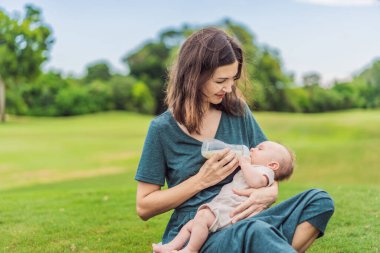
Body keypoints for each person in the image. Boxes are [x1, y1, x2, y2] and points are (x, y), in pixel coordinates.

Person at [135, 27, 334, 253]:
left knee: (319, 200)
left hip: (246, 215)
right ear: (194, 77)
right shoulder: (162, 129)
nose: (229, 88)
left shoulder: (238, 112)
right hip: (201, 229)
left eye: (233, 79)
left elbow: (269, 166)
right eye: (221, 80)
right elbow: (144, 206)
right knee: (254, 232)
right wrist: (201, 180)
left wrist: (269, 192)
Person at [152, 140, 295, 253]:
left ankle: (191, 250)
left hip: (231, 210)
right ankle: (169, 246)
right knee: (191, 224)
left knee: (202, 217)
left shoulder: (265, 172)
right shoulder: (255, 167)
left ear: (273, 165)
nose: (252, 149)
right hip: (224, 207)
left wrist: (244, 163)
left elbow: (256, 182)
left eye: (260, 149)